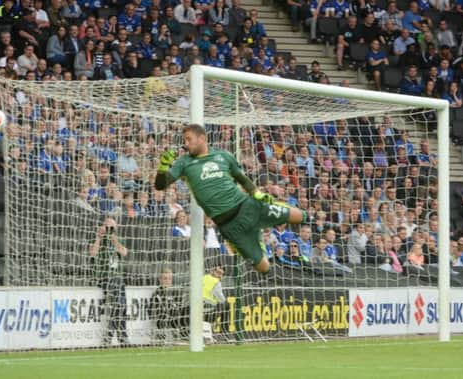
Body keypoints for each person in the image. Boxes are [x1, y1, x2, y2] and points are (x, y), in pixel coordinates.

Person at [155, 124, 307, 273]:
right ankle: (257, 239)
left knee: (301, 216)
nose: (186, 144)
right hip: (230, 227)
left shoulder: (223, 156)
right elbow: (160, 185)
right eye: (184, 141)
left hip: (248, 207)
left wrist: (256, 193)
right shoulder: (184, 162)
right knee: (264, 268)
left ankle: (269, 213)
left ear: (202, 138)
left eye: (189, 139)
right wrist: (163, 166)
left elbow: (242, 178)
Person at [89, 217, 129, 346]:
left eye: (111, 227)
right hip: (104, 277)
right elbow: (92, 253)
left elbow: (124, 252)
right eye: (107, 226)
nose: (109, 229)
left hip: (117, 278)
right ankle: (120, 336)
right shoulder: (98, 239)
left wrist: (114, 239)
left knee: (121, 305)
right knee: (120, 304)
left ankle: (112, 335)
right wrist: (98, 237)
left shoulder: (117, 239)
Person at [149, 268, 188, 337]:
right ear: (160, 280)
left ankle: (186, 337)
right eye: (165, 279)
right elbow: (151, 312)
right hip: (164, 319)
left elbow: (180, 306)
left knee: (188, 310)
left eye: (169, 279)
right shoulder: (157, 294)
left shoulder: (176, 292)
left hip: (176, 317)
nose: (167, 281)